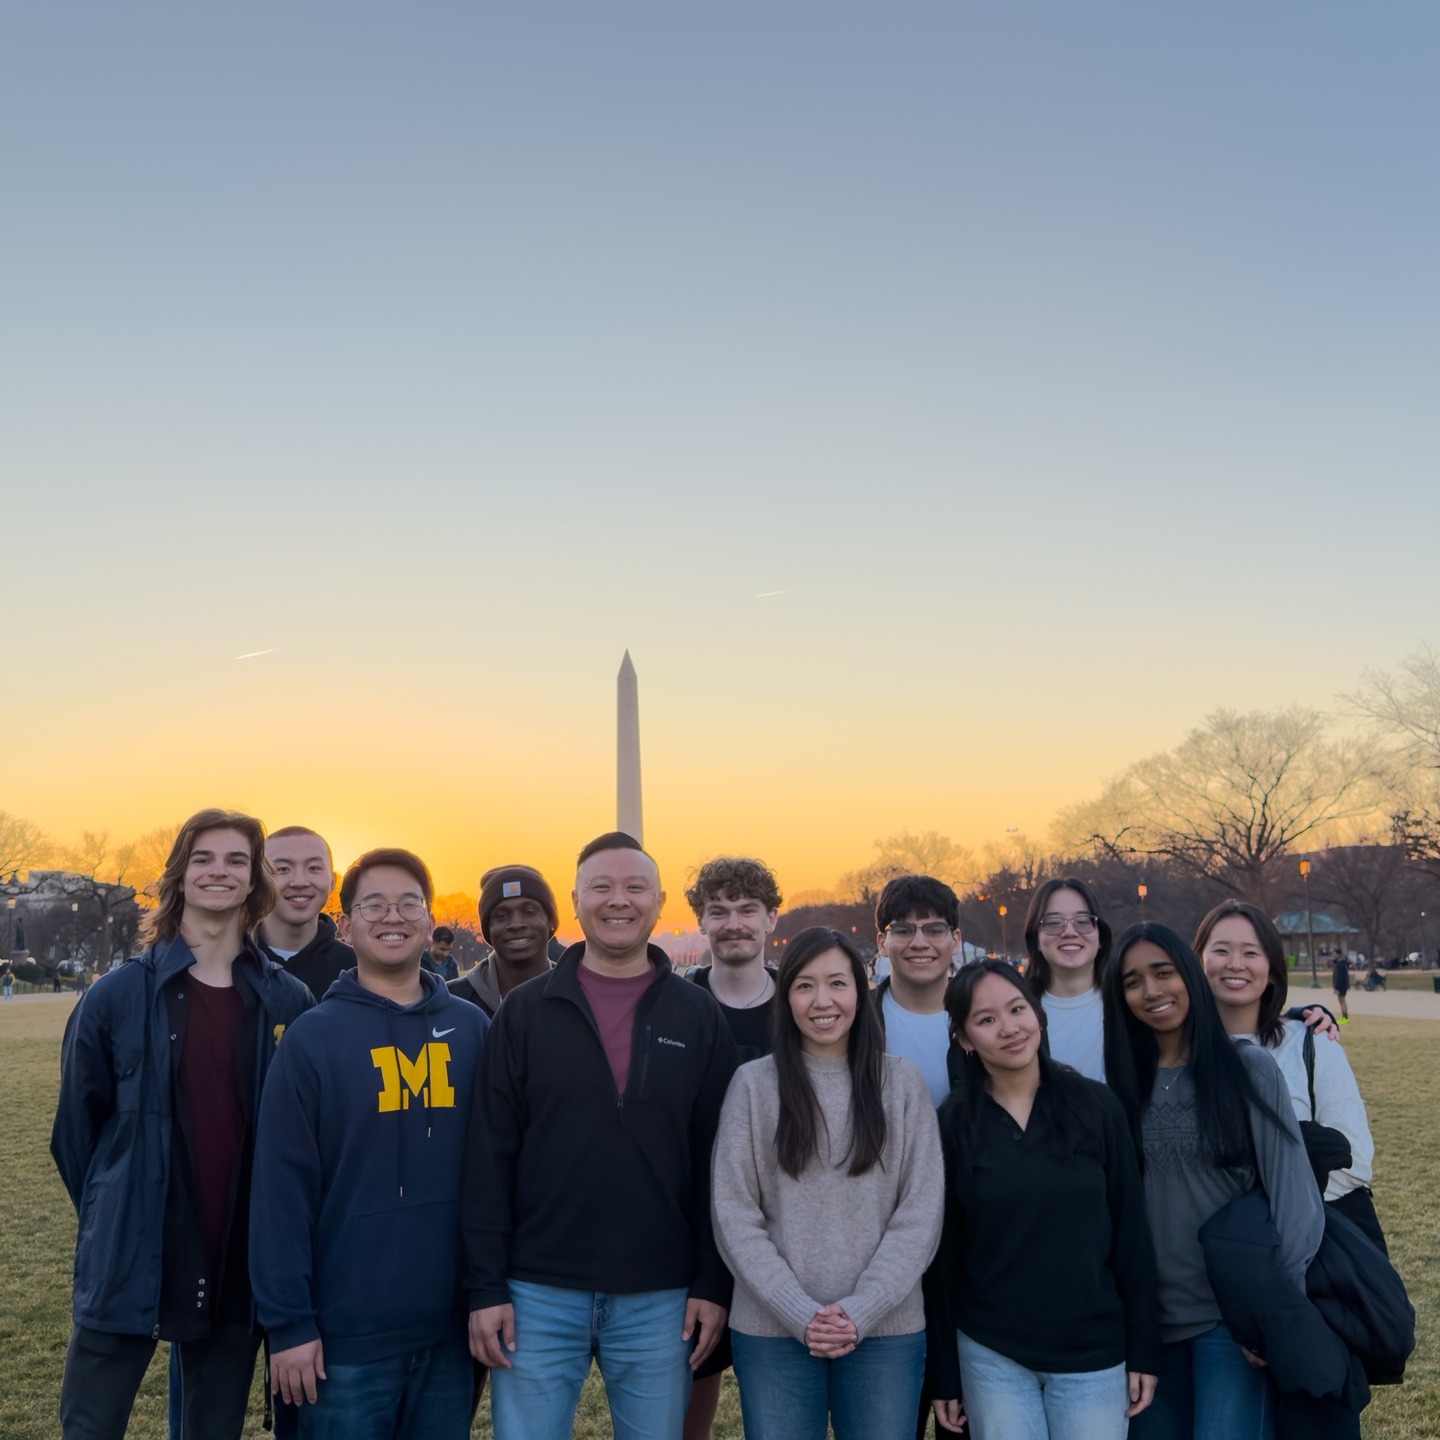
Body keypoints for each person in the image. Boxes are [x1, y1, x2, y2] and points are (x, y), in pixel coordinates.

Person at [465, 832, 739, 1440]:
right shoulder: (525, 1012)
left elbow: (720, 1166)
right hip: (536, 1292)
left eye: (635, 887)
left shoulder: (698, 1016)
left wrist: (711, 1281)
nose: (619, 901)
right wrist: (485, 1286)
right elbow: (488, 1159)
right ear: (576, 900)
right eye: (602, 887)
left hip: (661, 1296)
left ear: (659, 900)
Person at [50, 809, 314, 1440]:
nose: (218, 871)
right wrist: (119, 1206)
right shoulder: (114, 996)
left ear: (255, 882)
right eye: (203, 858)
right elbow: (75, 1135)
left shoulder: (288, 1001)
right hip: (132, 1245)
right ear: (178, 875)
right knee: (90, 1424)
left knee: (211, 1428)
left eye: (236, 860)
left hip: (236, 1249)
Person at [249, 848, 488, 1439]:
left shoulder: (474, 1030)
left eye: (409, 902)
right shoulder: (312, 1039)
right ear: (346, 924)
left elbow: (497, 1178)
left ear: (430, 920)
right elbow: (280, 1194)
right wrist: (289, 1326)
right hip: (340, 1342)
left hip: (449, 1333)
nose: (394, 915)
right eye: (374, 903)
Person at [712, 927, 943, 1440]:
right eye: (804, 986)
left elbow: (920, 1213)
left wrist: (861, 1311)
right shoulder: (753, 1086)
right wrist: (799, 1312)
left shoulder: (901, 1084)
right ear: (785, 995)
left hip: (886, 1330)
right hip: (773, 1330)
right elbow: (734, 1213)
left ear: (860, 994)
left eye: (838, 984)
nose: (823, 1001)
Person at [1103, 923, 1325, 1440]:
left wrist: (1268, 1317)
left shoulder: (1248, 1067)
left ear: (1191, 975)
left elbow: (1296, 1201)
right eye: (1133, 982)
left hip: (1231, 1324)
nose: (1152, 991)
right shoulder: (1118, 1086)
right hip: (1148, 1331)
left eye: (1164, 973)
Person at [926, 961, 1159, 1439]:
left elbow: (1132, 1233)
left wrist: (1143, 1347)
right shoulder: (951, 1126)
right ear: (965, 1038)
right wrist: (944, 1372)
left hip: (1093, 1350)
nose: (1009, 1028)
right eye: (986, 1019)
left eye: (1017, 1009)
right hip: (993, 1351)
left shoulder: (1096, 1107)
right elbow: (942, 1259)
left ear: (1038, 1014)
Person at [1196, 900, 1380, 1247]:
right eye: (1221, 950)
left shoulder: (1313, 1044)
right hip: (1202, 1255)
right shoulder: (1177, 1053)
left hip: (1308, 1253)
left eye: (1251, 952)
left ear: (1272, 968)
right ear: (1199, 961)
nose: (1235, 964)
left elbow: (1353, 1165)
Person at [681, 856, 783, 1440]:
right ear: (701, 920)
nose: (734, 922)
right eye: (718, 911)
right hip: (696, 1218)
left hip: (785, 1219)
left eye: (747, 909)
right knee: (697, 1366)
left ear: (772, 916)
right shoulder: (676, 1005)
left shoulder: (803, 1008)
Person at [873, 875, 965, 1108]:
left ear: (955, 941)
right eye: (903, 930)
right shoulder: (856, 1019)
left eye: (934, 930)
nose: (919, 942)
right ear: (882, 943)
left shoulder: (986, 1014)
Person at [1021, 877, 1113, 1081]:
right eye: (1054, 923)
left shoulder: (1127, 1006)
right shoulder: (1017, 1015)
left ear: (1100, 938)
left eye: (1082, 922)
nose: (1069, 932)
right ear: (1036, 938)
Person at [256, 827, 354, 1002]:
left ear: (332, 881)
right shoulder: (230, 963)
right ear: (258, 880)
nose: (299, 882)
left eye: (314, 868)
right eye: (283, 869)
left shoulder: (355, 970)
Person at [448, 865, 558, 1016]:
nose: (516, 924)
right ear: (487, 929)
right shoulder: (450, 1000)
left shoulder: (577, 995)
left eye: (529, 912)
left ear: (551, 920)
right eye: (501, 916)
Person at [1332, 953, 1351, 1021]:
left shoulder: (1340, 964)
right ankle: (1344, 1017)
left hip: (1341, 985)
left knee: (1342, 1001)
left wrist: (1336, 986)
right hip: (1343, 985)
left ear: (1338, 954)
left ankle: (1345, 1018)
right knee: (1342, 1001)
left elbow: (1338, 976)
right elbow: (1350, 966)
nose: (1333, 955)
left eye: (1334, 954)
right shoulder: (1343, 963)